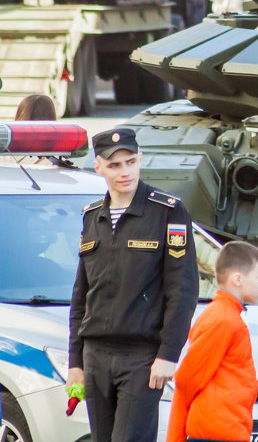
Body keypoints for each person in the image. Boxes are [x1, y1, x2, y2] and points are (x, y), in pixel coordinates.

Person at [67, 127, 199, 442]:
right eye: (114, 165)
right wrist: (76, 362)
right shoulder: (92, 217)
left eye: (130, 161)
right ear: (98, 166)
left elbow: (182, 289)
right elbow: (82, 296)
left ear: (140, 159)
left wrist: (169, 353)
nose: (124, 171)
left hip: (141, 356)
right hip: (95, 355)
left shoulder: (167, 211)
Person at [166, 241, 258, 442]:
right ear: (237, 279)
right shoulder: (224, 319)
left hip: (224, 431)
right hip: (217, 433)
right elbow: (187, 380)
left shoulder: (225, 316)